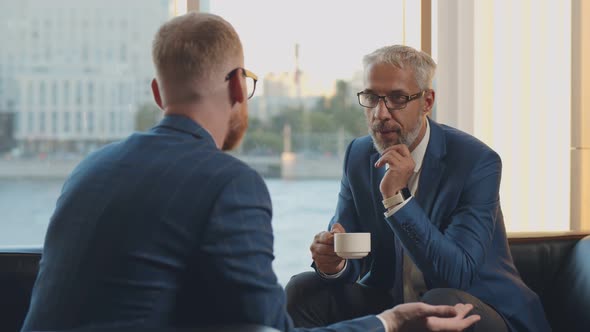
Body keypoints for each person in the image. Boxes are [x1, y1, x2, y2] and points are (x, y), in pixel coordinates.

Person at [21, 13, 480, 332]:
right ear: (240, 86)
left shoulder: (88, 169)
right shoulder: (228, 182)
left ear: (159, 94)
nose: (381, 112)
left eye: (396, 99)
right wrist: (390, 321)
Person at [285, 45, 551, 332]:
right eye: (372, 97)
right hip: (391, 302)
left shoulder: (475, 162)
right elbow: (353, 254)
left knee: (439, 305)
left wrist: (397, 200)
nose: (380, 113)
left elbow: (455, 274)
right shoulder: (360, 156)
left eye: (397, 98)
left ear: (427, 101)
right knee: (305, 290)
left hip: (478, 307)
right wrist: (332, 262)